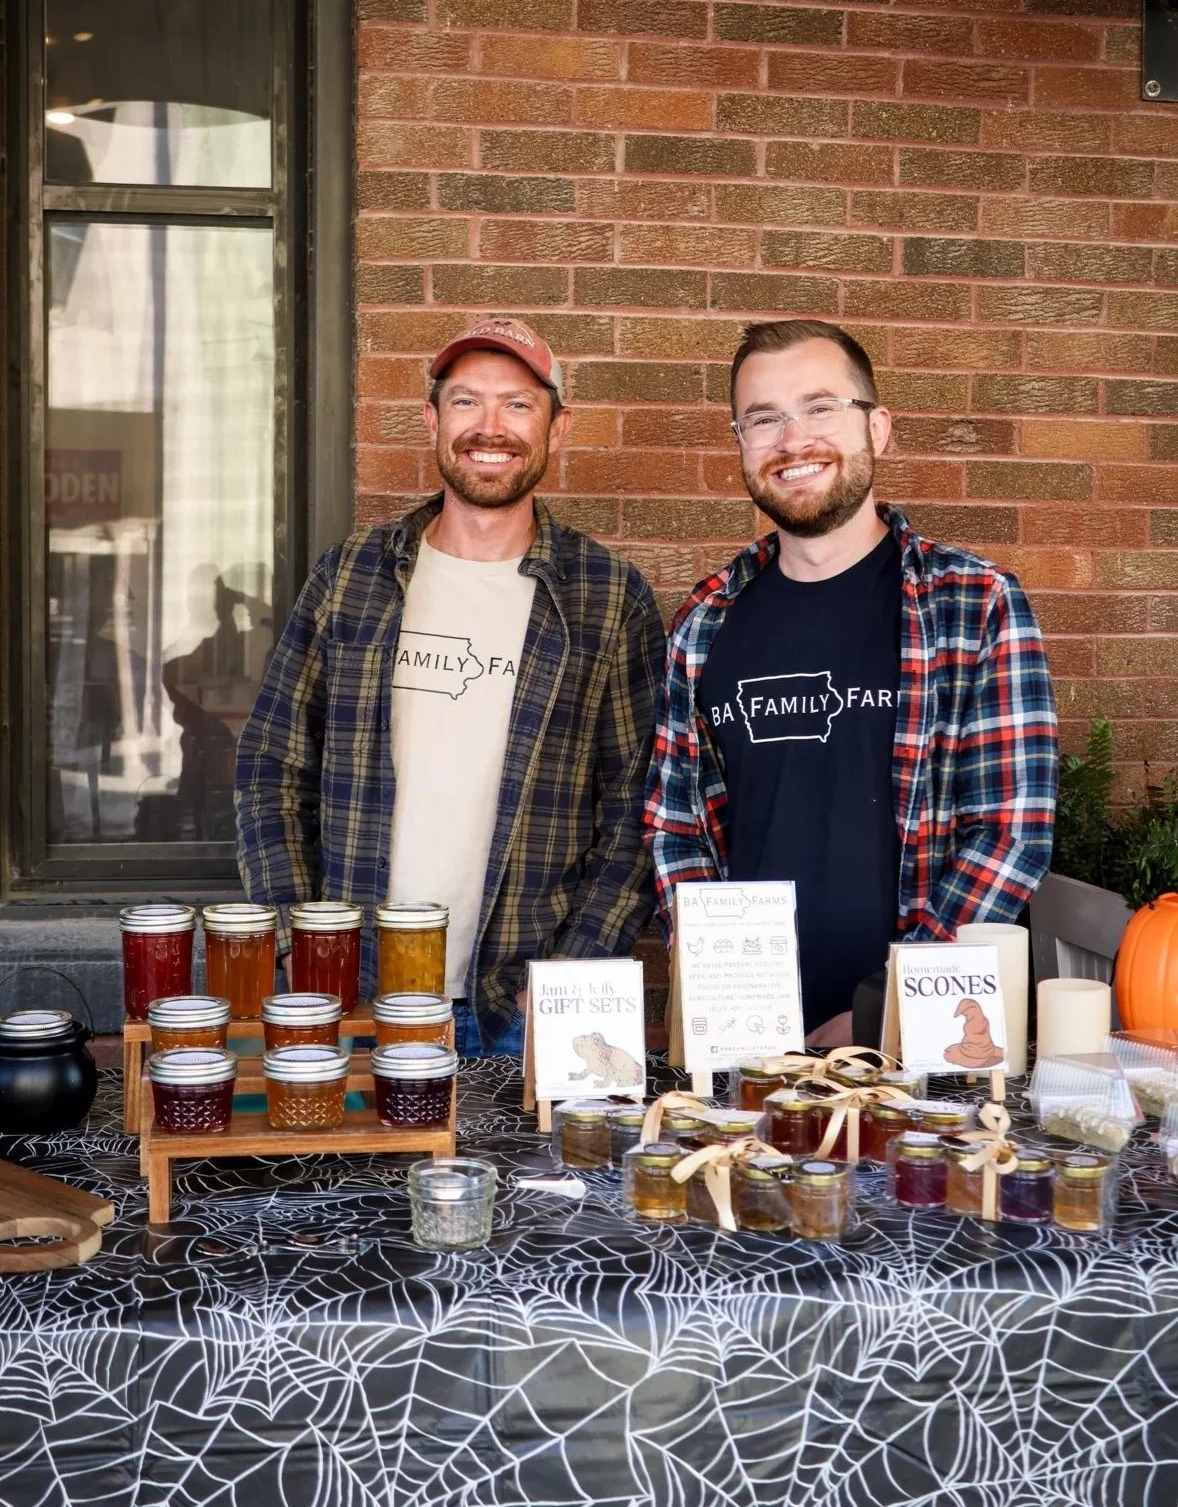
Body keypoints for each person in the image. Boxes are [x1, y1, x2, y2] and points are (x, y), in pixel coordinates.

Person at [235, 318, 666, 1056]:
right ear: (433, 421)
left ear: (558, 429)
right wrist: (297, 946)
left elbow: (636, 807)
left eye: (518, 405)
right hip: (354, 999)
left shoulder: (607, 596)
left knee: (539, 1176)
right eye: (466, 403)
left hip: (521, 1003)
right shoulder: (353, 578)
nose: (489, 427)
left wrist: (573, 969)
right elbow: (270, 768)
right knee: (356, 1176)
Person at [645, 318, 1058, 1048]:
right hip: (749, 1046)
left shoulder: (975, 604)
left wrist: (885, 1009)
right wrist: (727, 989)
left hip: (924, 1051)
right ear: (740, 441)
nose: (793, 440)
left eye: (820, 407)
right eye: (763, 419)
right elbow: (678, 830)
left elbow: (1009, 835)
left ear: (880, 428)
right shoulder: (705, 622)